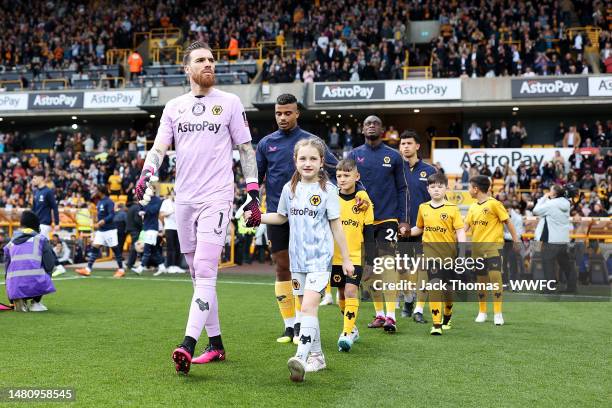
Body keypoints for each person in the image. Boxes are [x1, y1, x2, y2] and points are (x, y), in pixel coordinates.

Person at [134, 41, 260, 375]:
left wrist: (252, 192)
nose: (209, 65)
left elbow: (246, 150)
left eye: (212, 60)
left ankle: (187, 344)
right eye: (201, 60)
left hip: (217, 197)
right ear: (187, 69)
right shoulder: (174, 107)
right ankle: (216, 344)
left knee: (205, 270)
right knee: (197, 275)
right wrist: (146, 173)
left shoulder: (230, 103)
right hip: (184, 200)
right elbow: (160, 148)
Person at [244, 137, 354, 382]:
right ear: (295, 161)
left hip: (319, 260)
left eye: (313, 158)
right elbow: (281, 218)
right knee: (306, 312)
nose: (307, 163)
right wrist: (257, 217)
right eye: (302, 158)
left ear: (322, 162)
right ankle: (317, 357)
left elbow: (337, 226)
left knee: (307, 308)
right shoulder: (289, 189)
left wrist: (346, 258)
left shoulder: (328, 190)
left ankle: (301, 357)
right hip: (297, 261)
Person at [255, 93, 339, 344]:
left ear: (297, 113)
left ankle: (304, 322)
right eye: (279, 113)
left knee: (306, 269)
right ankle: (289, 325)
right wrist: (249, 205)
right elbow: (256, 179)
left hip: (310, 215)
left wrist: (358, 192)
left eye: (288, 113)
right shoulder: (266, 143)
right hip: (277, 214)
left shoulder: (311, 142)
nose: (283, 117)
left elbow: (335, 170)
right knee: (283, 266)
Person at [348, 115, 409, 333]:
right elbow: (346, 184)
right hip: (363, 222)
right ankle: (380, 314)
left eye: (375, 123)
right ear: (362, 129)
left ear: (382, 129)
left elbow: (402, 188)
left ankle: (391, 315)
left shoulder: (394, 156)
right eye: (367, 123)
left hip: (387, 218)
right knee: (370, 270)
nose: (371, 126)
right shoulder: (354, 155)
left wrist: (403, 219)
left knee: (388, 265)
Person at [409, 172, 466, 335]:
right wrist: (406, 232)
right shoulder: (423, 207)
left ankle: (447, 313)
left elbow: (460, 232)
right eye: (433, 187)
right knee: (434, 285)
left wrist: (461, 254)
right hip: (429, 254)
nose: (436, 190)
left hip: (449, 256)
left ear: (446, 189)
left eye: (440, 187)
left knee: (447, 290)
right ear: (428, 189)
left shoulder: (452, 209)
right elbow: (419, 228)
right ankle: (436, 324)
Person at [464, 176, 520, 326]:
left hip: (494, 248)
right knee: (481, 281)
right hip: (477, 250)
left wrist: (516, 240)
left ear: (475, 189)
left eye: (469, 187)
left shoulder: (494, 204)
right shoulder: (473, 207)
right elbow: (465, 227)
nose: (468, 190)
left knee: (495, 278)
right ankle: (482, 312)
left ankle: (498, 313)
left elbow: (508, 221)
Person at [333, 159, 374, 352]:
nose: (342, 179)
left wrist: (371, 261)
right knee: (341, 292)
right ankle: (352, 328)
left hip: (355, 256)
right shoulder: (331, 198)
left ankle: (347, 334)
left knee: (350, 291)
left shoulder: (364, 202)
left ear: (357, 177)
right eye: (339, 176)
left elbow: (369, 231)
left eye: (346, 175)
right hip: (334, 257)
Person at [398, 129, 437, 322]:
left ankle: (419, 309)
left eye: (409, 143)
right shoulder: (396, 168)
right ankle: (407, 300)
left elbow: (437, 199)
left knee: (423, 269)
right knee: (403, 269)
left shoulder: (430, 171)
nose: (405, 147)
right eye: (403, 144)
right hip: (401, 228)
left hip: (424, 229)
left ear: (417, 146)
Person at [3, 211, 56, 312]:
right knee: (46, 268)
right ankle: (35, 302)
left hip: (14, 288)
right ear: (36, 226)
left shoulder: (10, 243)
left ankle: (18, 301)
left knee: (11, 273)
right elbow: (50, 264)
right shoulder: (41, 239)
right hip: (35, 285)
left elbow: (6, 269)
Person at [533, 184, 576, 293]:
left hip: (552, 240)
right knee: (566, 265)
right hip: (563, 240)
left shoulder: (551, 204)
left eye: (550, 190)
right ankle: (572, 287)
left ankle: (549, 288)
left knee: (548, 264)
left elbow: (535, 211)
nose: (548, 192)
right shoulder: (566, 203)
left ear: (554, 193)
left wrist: (544, 197)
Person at [76, 186, 125, 278]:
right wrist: (96, 222)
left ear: (101, 192)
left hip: (110, 230)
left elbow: (112, 214)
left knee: (115, 249)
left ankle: (121, 269)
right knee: (95, 247)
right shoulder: (99, 202)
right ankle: (88, 269)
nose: (95, 192)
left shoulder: (109, 202)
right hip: (101, 230)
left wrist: (102, 221)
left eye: (96, 190)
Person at [133, 194, 165, 276]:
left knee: (147, 248)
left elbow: (154, 210)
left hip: (152, 228)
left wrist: (145, 210)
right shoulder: (145, 199)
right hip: (146, 227)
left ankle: (140, 268)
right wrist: (139, 211)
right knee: (154, 250)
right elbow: (140, 207)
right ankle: (162, 267)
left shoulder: (157, 200)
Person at [160, 191, 185, 273]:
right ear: (171, 195)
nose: (175, 196)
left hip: (179, 228)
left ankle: (177, 265)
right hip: (169, 227)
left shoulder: (180, 203)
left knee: (178, 247)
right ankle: (170, 266)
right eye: (174, 194)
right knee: (170, 247)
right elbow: (162, 214)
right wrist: (172, 211)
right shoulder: (166, 202)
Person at [31, 171, 59, 238]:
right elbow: (33, 209)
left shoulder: (48, 191)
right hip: (36, 224)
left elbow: (54, 207)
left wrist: (57, 223)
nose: (33, 180)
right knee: (39, 247)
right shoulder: (35, 192)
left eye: (34, 178)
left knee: (37, 247)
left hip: (44, 224)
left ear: (41, 178)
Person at [125, 200, 143, 272]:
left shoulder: (131, 207)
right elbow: (137, 220)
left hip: (130, 228)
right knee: (135, 246)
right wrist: (143, 226)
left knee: (134, 245)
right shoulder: (137, 208)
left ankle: (130, 263)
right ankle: (130, 263)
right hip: (135, 229)